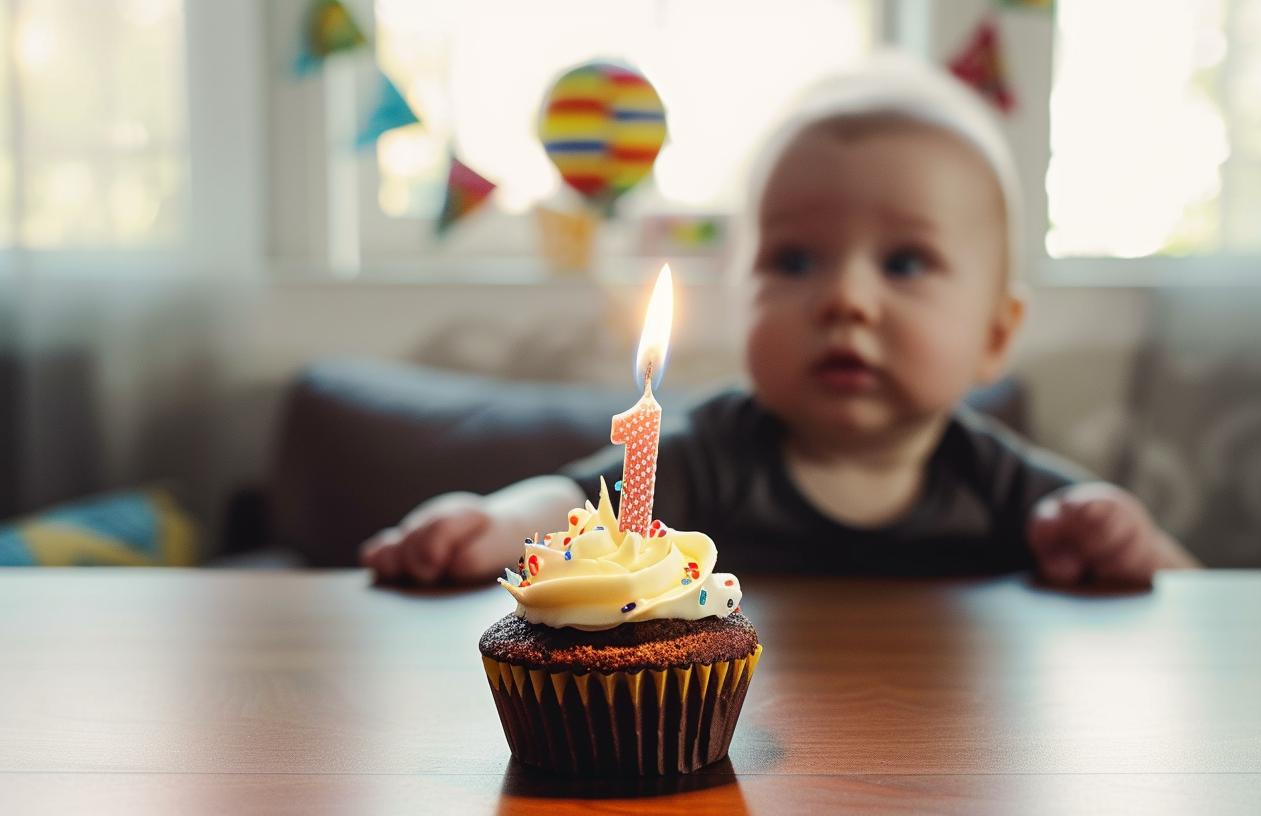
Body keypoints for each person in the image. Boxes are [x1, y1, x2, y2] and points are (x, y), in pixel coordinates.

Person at [361, 56, 1197, 586]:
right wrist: (497, 521)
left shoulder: (998, 482)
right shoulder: (719, 454)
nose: (846, 301)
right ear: (738, 295)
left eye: (904, 263)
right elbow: (582, 502)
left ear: (995, 335)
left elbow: (1187, 593)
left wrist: (1125, 540)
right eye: (794, 262)